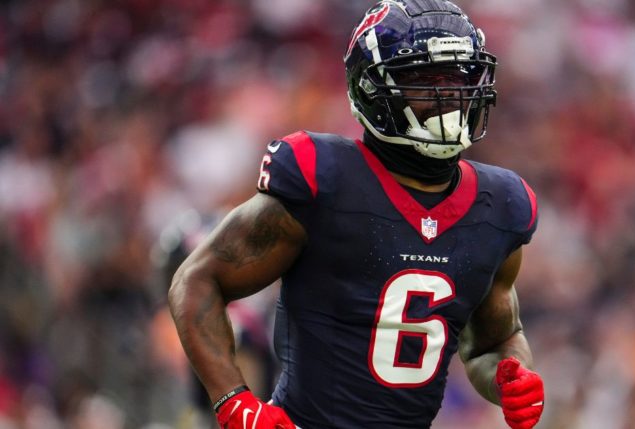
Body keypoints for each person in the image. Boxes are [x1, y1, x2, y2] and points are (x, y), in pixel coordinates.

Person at [168, 1, 545, 428]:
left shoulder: (500, 206)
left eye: (459, 78)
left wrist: (511, 374)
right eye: (424, 80)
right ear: (372, 89)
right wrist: (234, 399)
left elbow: (493, 342)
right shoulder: (324, 179)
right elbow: (197, 280)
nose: (448, 97)